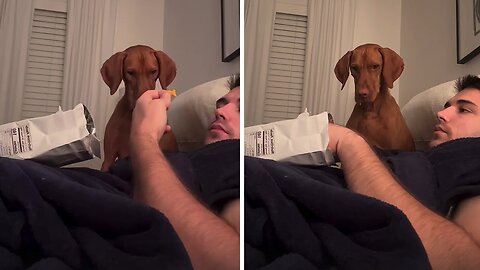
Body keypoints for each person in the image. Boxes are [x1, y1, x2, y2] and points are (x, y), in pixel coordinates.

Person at [327, 74, 480, 269]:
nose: (442, 114)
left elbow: (466, 262)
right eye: (446, 106)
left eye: (464, 109)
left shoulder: (473, 158)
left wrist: (348, 143)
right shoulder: (424, 157)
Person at [129, 74, 240, 270]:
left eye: (241, 109)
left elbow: (229, 260)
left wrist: (143, 136)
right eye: (220, 104)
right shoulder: (187, 158)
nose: (220, 111)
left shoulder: (235, 157)